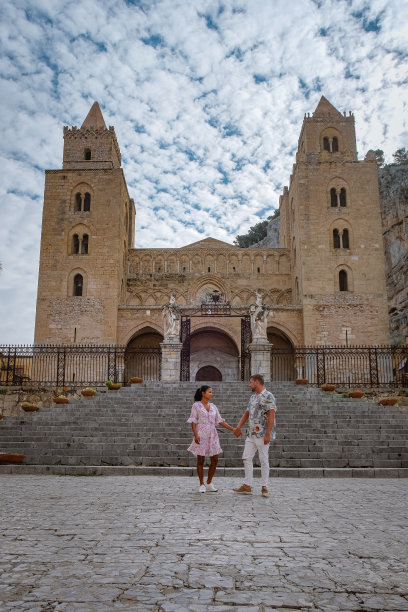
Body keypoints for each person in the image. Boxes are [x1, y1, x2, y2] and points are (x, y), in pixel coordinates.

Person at [233, 374, 277, 498]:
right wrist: (238, 426)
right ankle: (247, 484)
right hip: (251, 433)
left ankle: (264, 486)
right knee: (246, 457)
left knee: (263, 459)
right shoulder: (252, 397)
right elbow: (247, 413)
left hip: (263, 434)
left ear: (257, 382)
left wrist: (268, 433)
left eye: (251, 382)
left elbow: (271, 415)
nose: (249, 384)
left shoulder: (268, 396)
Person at [187, 385, 235, 493]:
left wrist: (233, 429)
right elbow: (193, 421)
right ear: (203, 393)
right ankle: (201, 484)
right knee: (201, 460)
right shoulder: (196, 405)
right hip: (201, 434)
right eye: (209, 392)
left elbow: (220, 420)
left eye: (212, 392)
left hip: (213, 435)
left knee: (215, 459)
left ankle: (209, 483)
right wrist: (195, 435)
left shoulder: (213, 406)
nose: (211, 394)